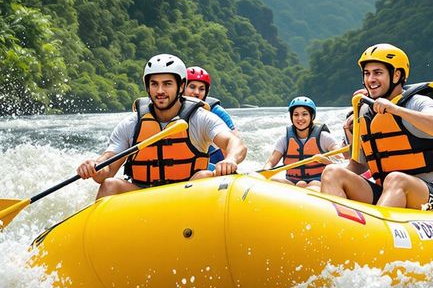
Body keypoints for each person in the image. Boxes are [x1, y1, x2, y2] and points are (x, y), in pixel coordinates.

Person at [76, 54, 247, 199]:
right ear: (147, 87)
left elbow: (235, 143)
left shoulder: (200, 119)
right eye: (154, 84)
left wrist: (230, 159)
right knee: (109, 185)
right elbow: (106, 168)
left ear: (181, 86)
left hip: (187, 195)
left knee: (204, 176)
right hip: (145, 196)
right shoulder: (131, 124)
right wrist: (94, 166)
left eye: (167, 84)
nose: (160, 91)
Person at [320, 43, 433, 210]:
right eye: (367, 73)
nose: (370, 79)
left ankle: (376, 231)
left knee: (395, 179)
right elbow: (359, 165)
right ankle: (335, 228)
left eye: (378, 73)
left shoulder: (419, 101)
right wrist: (333, 175)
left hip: (431, 193)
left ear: (396, 75)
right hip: (387, 193)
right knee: (332, 173)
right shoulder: (365, 110)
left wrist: (395, 110)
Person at [264, 97, 340, 188]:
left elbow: (341, 161)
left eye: (304, 114)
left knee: (312, 186)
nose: (300, 118)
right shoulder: (284, 139)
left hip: (317, 183)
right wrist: (265, 172)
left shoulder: (324, 137)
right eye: (296, 115)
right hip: (292, 184)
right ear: (291, 117)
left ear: (311, 116)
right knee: (272, 181)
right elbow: (270, 163)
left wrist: (325, 160)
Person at [184, 66, 238, 166]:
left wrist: (229, 161)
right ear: (182, 87)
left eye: (201, 89)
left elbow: (234, 140)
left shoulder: (216, 111)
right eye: (192, 87)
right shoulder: (170, 111)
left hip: (213, 161)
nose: (196, 92)